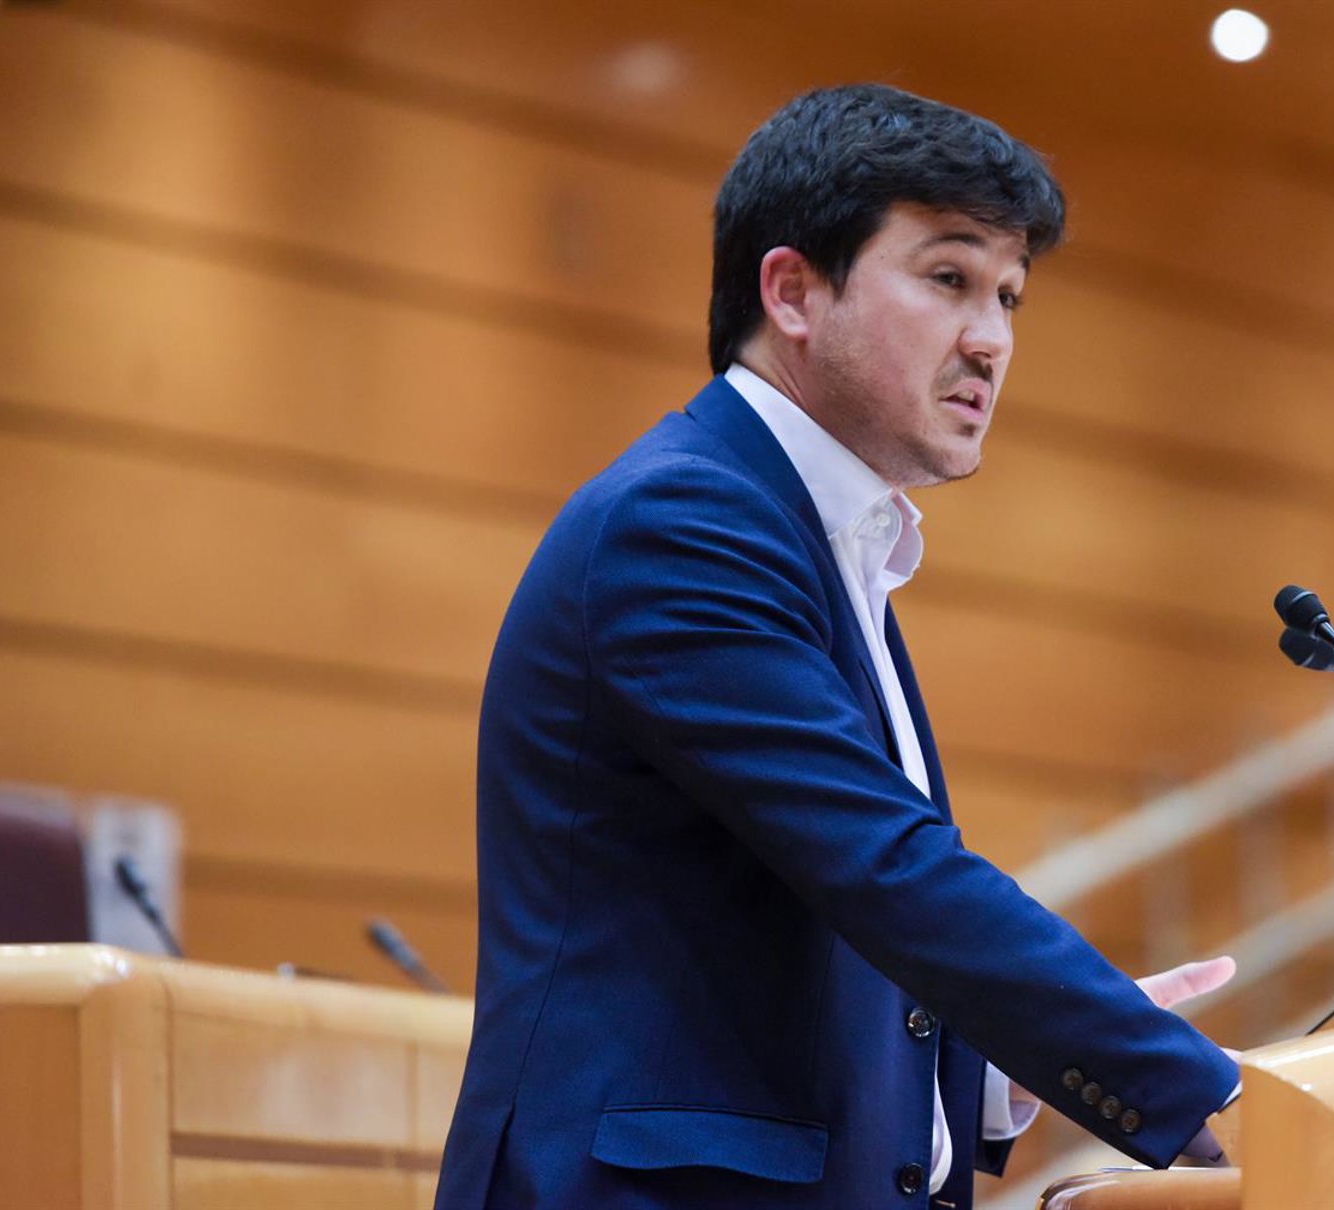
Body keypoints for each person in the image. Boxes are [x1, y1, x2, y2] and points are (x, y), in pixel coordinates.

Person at [433, 84, 1241, 1210]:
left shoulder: (819, 534)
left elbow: (827, 914)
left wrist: (999, 1065)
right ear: (793, 291)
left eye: (1010, 296)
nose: (992, 340)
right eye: (949, 278)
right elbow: (886, 867)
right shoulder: (686, 523)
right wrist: (1202, 1092)